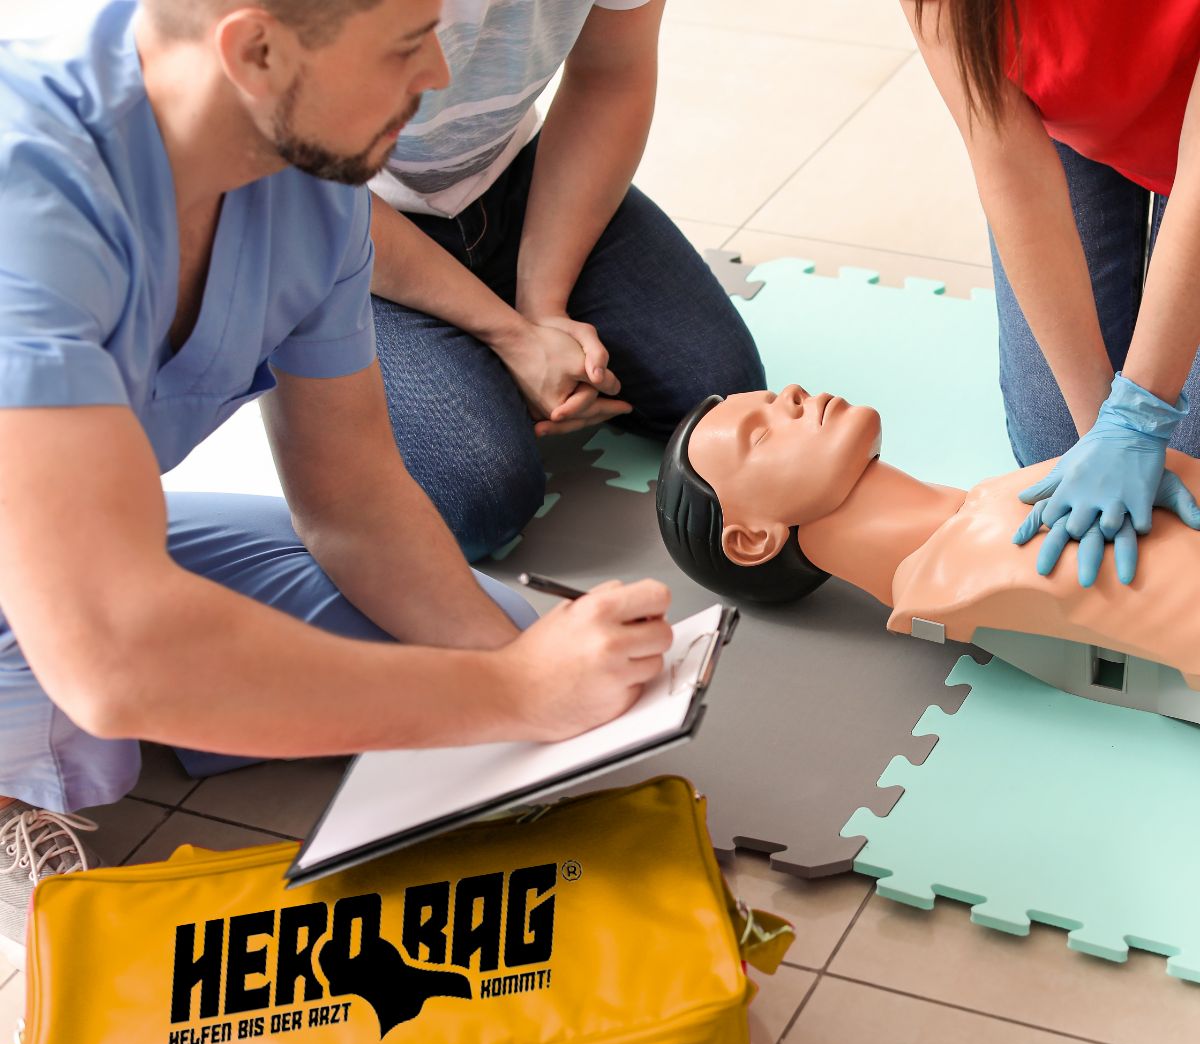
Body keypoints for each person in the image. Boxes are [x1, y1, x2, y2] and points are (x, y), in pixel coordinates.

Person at [0, 0, 672, 968]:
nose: (439, 74)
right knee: (101, 690)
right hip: (61, 594)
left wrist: (535, 690)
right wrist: (512, 694)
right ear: (256, 51)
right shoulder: (27, 199)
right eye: (406, 45)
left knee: (496, 635)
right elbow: (113, 660)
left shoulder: (308, 178)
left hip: (58, 535)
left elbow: (354, 501)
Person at [367, 0, 766, 562]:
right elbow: (300, 191)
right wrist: (515, 338)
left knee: (723, 396)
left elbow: (611, 74)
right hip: (343, 222)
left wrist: (544, 310)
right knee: (477, 502)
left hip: (517, 172)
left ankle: (496, 369)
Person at [903, 0, 1200, 585]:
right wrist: (1099, 432)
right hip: (1082, 117)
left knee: (1190, 460)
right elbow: (1007, 162)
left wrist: (1138, 417)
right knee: (1054, 445)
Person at [657, 387, 1200, 687]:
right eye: (760, 434)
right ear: (753, 539)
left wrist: (1125, 427)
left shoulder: (991, 504)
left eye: (775, 396)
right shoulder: (977, 574)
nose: (794, 395)